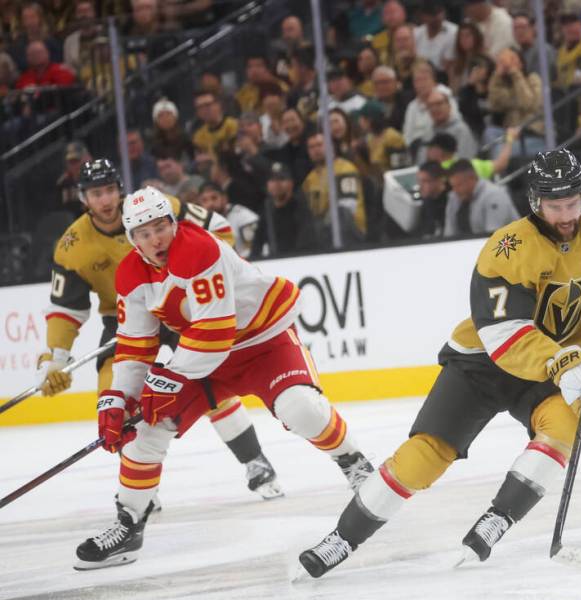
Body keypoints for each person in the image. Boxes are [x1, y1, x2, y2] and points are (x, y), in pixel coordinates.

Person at [297, 149, 581, 577]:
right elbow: (504, 334)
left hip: (556, 363)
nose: (567, 214)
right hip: (486, 361)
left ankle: (498, 518)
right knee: (426, 456)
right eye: (555, 206)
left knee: (570, 423)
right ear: (535, 203)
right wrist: (565, 363)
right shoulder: (508, 248)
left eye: (573, 202)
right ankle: (343, 537)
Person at [74, 186, 375, 570]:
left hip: (262, 340)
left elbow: (215, 332)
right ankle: (129, 525)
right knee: (147, 429)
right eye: (144, 233)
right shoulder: (131, 274)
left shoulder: (198, 247)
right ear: (132, 240)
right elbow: (134, 347)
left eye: (160, 227)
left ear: (173, 222)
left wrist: (166, 382)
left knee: (300, 407)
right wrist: (118, 400)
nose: (155, 239)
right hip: (203, 358)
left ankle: (355, 463)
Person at [37, 160, 285, 519]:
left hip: (181, 305)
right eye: (95, 193)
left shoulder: (154, 207)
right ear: (83, 198)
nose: (104, 200)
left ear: (120, 188)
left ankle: (255, 461)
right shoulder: (72, 246)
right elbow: (66, 309)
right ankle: (142, 488)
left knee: (208, 384)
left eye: (108, 190)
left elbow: (220, 229)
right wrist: (56, 359)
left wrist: (203, 273)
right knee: (116, 395)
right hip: (128, 320)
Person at [444, 159, 520, 236]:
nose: (455, 190)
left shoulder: (494, 195)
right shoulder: (454, 197)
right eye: (453, 186)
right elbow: (449, 234)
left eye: (459, 185)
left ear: (472, 178)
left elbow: (493, 237)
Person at [198, 181, 259, 258]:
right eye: (204, 200)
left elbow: (255, 249)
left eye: (214, 198)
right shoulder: (198, 223)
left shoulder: (244, 216)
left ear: (224, 199)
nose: (210, 204)